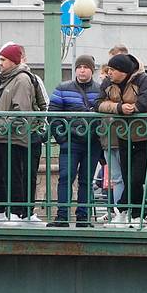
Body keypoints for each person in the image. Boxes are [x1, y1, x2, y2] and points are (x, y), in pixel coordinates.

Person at [97, 52, 147, 229]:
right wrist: (119, 108)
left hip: (144, 135)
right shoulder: (108, 83)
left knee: (137, 178)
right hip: (123, 134)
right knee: (127, 176)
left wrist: (132, 108)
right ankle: (132, 214)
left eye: (113, 70)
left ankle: (129, 212)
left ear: (123, 71)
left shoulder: (142, 79)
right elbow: (98, 103)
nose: (109, 73)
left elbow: (144, 104)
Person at [0, 43, 43, 224]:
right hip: (0, 134)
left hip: (13, 136)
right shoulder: (4, 78)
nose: (0, 63)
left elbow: (20, 109)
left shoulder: (21, 79)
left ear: (13, 61)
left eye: (3, 60)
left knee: (14, 174)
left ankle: (17, 212)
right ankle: (0, 210)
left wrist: (3, 126)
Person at [49, 54, 103, 228]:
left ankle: (83, 217)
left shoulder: (100, 90)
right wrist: (62, 138)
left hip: (92, 142)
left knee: (86, 180)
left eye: (85, 67)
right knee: (65, 177)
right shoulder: (62, 88)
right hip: (70, 142)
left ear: (91, 70)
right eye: (79, 67)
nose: (82, 70)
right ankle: (62, 216)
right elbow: (53, 114)